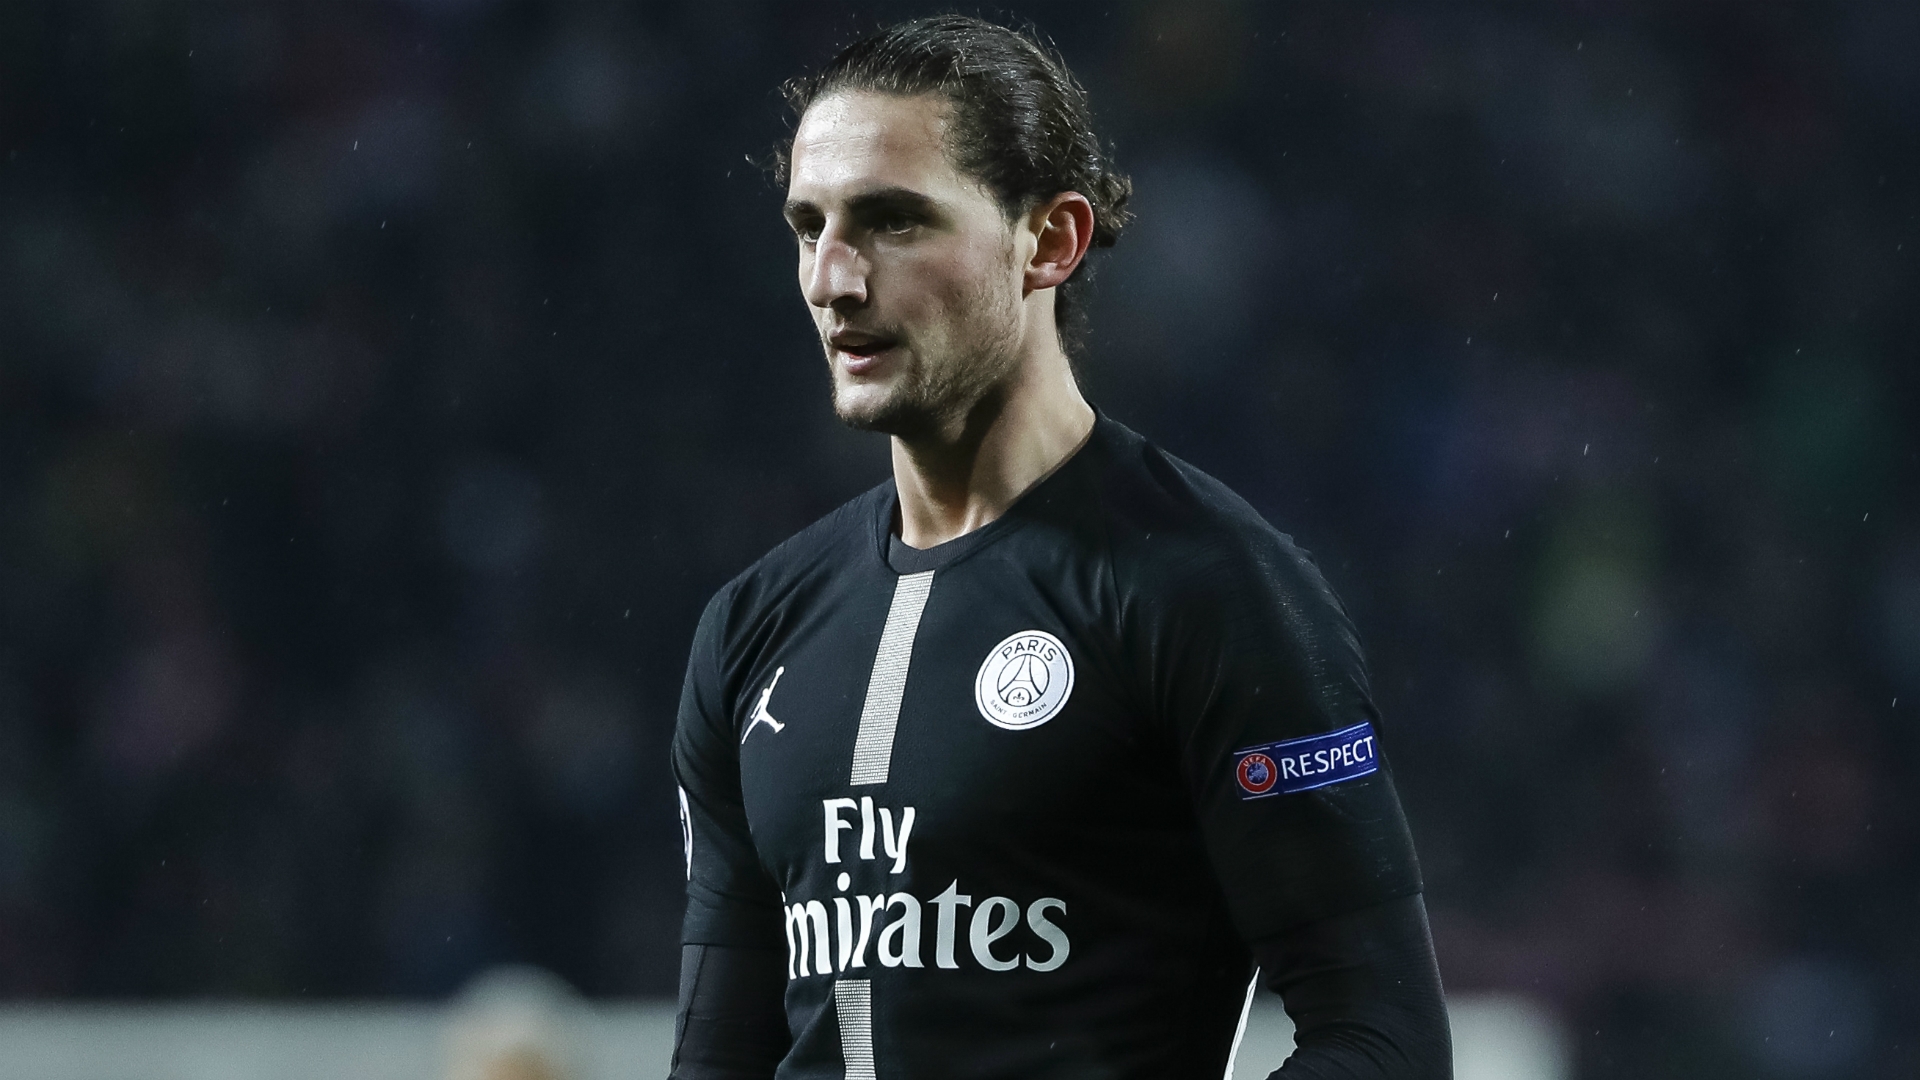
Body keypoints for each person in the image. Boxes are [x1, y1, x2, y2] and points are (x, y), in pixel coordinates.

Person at [670, 15, 1450, 1079]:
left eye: (894, 221)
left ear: (1050, 241)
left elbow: (1384, 1042)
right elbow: (716, 1060)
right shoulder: (750, 631)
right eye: (811, 227)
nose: (833, 279)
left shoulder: (1210, 590)